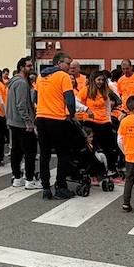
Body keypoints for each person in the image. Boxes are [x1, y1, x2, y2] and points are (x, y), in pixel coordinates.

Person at [36, 53, 78, 200]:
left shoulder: (40, 76)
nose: (69, 66)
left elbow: (35, 96)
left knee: (45, 155)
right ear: (59, 63)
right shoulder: (63, 76)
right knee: (63, 154)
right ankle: (60, 186)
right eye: (68, 63)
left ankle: (46, 188)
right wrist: (71, 115)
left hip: (41, 118)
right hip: (57, 119)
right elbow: (70, 99)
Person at [83, 72, 120, 177]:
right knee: (93, 148)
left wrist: (109, 119)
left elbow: (108, 106)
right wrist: (85, 109)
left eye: (102, 80)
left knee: (110, 147)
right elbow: (77, 101)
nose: (101, 82)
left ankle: (109, 169)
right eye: (99, 80)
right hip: (91, 121)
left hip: (104, 122)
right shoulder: (86, 90)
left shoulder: (105, 91)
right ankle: (94, 172)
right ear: (93, 80)